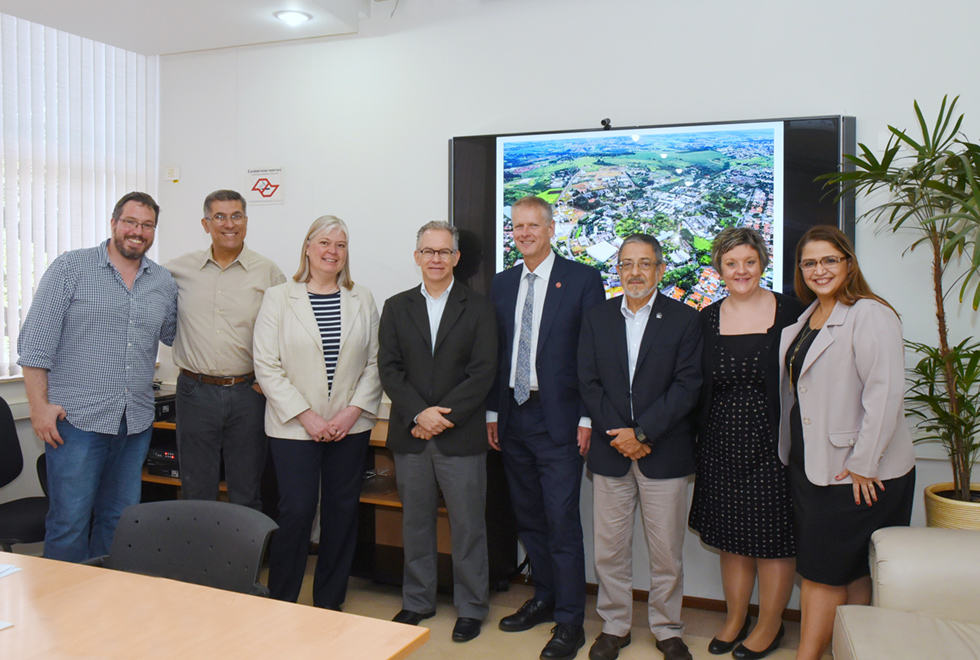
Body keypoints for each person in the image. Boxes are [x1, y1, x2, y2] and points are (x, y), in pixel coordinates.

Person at [778, 225, 915, 660]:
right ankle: (847, 651)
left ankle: (809, 656)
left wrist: (863, 464)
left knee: (822, 572)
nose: (819, 270)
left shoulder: (869, 313)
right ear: (800, 270)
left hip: (855, 471)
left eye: (829, 260)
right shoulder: (805, 319)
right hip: (812, 464)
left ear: (849, 263)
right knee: (853, 570)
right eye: (809, 263)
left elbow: (886, 394)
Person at [17, 192, 178, 563]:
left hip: (134, 422)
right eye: (131, 222)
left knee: (120, 522)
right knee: (69, 523)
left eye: (147, 225)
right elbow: (35, 345)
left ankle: (105, 607)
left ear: (154, 230)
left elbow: (175, 334)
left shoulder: (163, 283)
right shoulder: (71, 268)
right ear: (114, 223)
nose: (138, 231)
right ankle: (62, 613)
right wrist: (38, 407)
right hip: (76, 422)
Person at [487, 195, 604, 660]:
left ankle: (570, 621)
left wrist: (587, 416)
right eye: (518, 226)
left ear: (552, 228)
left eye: (534, 225)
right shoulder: (500, 284)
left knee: (560, 522)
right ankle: (545, 597)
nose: (525, 233)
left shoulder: (581, 279)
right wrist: (495, 413)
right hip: (513, 415)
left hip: (560, 419)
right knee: (529, 518)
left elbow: (592, 353)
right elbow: (496, 353)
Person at [578, 234, 702, 660]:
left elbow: (687, 387)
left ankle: (667, 628)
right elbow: (588, 382)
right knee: (609, 550)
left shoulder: (685, 320)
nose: (635, 272)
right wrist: (621, 434)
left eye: (645, 264)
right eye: (627, 263)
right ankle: (615, 626)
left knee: (667, 552)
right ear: (618, 269)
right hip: (611, 452)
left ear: (660, 270)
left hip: (663, 452)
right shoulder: (596, 317)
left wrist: (642, 433)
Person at [253, 215, 382, 610]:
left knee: (342, 515)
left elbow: (376, 363)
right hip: (294, 428)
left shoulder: (363, 298)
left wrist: (350, 413)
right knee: (296, 513)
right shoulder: (279, 297)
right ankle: (282, 601)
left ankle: (329, 604)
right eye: (324, 242)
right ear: (307, 247)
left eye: (340, 245)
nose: (332, 251)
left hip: (350, 425)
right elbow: (266, 365)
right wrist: (306, 415)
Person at [378, 221, 497, 643]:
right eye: (428, 251)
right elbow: (389, 369)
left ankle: (471, 607)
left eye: (444, 252)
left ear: (456, 258)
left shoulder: (479, 307)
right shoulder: (396, 306)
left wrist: (442, 417)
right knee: (416, 523)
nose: (435, 259)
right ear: (417, 257)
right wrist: (418, 415)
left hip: (459, 436)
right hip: (412, 435)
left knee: (468, 527)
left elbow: (483, 372)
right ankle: (417, 601)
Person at [688, 227, 802, 660]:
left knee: (774, 540)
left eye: (749, 262)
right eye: (731, 263)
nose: (741, 271)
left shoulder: (794, 312)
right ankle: (736, 618)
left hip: (776, 443)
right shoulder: (707, 318)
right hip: (719, 440)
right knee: (731, 538)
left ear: (763, 264)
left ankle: (770, 626)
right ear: (719, 267)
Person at [166, 189, 286, 510]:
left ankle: (244, 561)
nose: (228, 224)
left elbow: (286, 333)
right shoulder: (177, 271)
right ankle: (199, 559)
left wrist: (266, 382)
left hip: (249, 394)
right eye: (219, 216)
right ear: (206, 224)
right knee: (196, 487)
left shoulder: (268, 272)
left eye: (236, 216)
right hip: (194, 393)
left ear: (246, 222)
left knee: (247, 488)